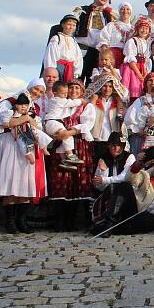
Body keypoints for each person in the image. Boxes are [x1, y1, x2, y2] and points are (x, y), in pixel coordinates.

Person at [0, 92, 52, 233]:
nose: (23, 107)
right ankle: (10, 222)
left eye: (25, 105)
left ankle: (21, 220)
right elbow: (7, 123)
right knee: (10, 182)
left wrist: (29, 120)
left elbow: (37, 127)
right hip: (10, 147)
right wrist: (24, 119)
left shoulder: (33, 115)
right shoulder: (8, 111)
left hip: (28, 147)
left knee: (25, 184)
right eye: (21, 104)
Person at [46, 79, 96, 231]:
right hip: (61, 145)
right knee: (61, 179)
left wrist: (69, 132)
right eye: (71, 88)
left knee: (79, 180)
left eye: (77, 88)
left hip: (80, 144)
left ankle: (78, 222)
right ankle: (60, 222)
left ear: (82, 91)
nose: (74, 91)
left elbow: (87, 125)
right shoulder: (60, 103)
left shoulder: (87, 106)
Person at [90, 153, 154, 236]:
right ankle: (108, 224)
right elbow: (131, 179)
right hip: (137, 210)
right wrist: (137, 165)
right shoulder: (147, 174)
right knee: (123, 186)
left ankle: (109, 229)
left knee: (147, 221)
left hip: (153, 218)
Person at [89, 132, 137, 236]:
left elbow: (125, 177)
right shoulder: (103, 159)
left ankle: (108, 224)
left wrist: (105, 179)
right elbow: (99, 186)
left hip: (127, 198)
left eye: (119, 146)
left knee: (123, 186)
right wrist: (103, 171)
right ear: (108, 146)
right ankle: (108, 225)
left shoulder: (129, 157)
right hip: (109, 196)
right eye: (113, 146)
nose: (116, 149)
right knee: (111, 188)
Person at [73, 0, 115, 82]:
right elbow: (72, 27)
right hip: (83, 49)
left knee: (94, 80)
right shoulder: (82, 10)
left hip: (100, 51)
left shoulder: (110, 14)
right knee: (78, 76)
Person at [85, 74, 128, 164]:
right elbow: (88, 114)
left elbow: (125, 95)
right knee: (96, 163)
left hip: (112, 139)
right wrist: (93, 101)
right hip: (97, 137)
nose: (107, 89)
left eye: (110, 86)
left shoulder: (118, 102)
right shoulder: (94, 100)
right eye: (104, 86)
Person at [42, 81, 85, 170]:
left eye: (66, 93)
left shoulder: (54, 100)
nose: (65, 95)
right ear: (55, 93)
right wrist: (82, 100)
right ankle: (70, 155)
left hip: (50, 123)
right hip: (53, 122)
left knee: (62, 142)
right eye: (63, 93)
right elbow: (73, 103)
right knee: (67, 136)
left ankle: (63, 160)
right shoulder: (59, 100)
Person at [123, 73, 154, 155]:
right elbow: (129, 120)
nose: (153, 83)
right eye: (150, 80)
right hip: (141, 138)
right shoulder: (141, 100)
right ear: (146, 83)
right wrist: (140, 132)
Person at [43, 14, 84, 82]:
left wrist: (77, 72)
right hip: (58, 67)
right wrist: (51, 71)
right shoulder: (56, 38)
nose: (71, 27)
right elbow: (51, 55)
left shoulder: (73, 41)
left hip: (70, 69)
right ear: (63, 25)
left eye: (73, 25)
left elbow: (78, 57)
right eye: (69, 24)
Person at [120, 17, 153, 99]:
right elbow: (130, 59)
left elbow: (146, 59)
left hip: (141, 68)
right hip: (132, 68)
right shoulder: (132, 41)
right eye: (142, 28)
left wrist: (145, 72)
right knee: (131, 89)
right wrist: (138, 73)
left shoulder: (146, 43)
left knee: (140, 90)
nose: (144, 30)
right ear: (137, 29)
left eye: (146, 29)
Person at [96, 2, 134, 68]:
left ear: (131, 12)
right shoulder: (111, 25)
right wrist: (105, 53)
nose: (125, 11)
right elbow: (103, 38)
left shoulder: (133, 29)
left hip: (127, 56)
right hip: (112, 55)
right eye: (122, 9)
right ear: (119, 11)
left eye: (128, 9)